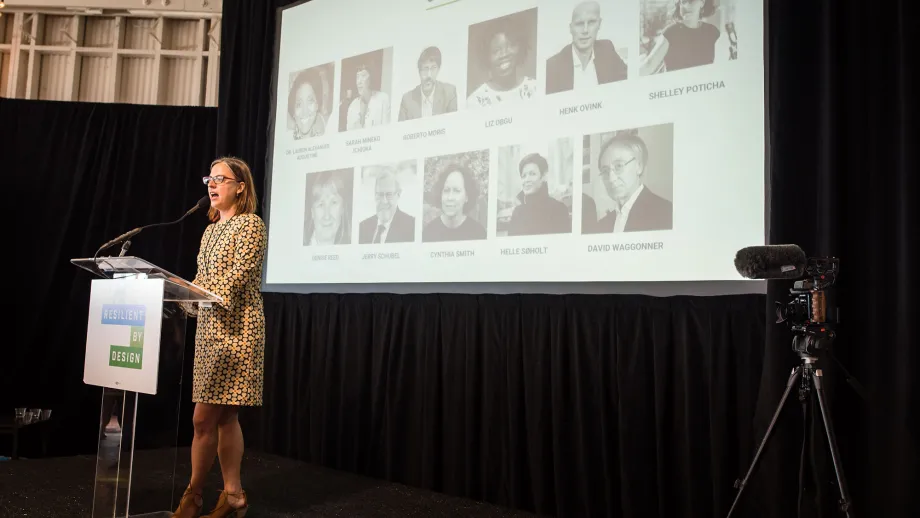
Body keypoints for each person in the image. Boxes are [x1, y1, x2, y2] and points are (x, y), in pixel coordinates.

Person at [172, 156, 267, 518]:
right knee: (225, 419)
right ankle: (233, 496)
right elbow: (200, 281)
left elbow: (236, 279)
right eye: (209, 179)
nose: (211, 185)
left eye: (220, 179)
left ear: (240, 187)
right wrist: (183, 297)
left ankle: (193, 496)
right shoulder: (210, 230)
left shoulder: (250, 226)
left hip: (238, 334)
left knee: (202, 420)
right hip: (210, 334)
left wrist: (193, 292)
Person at [594, 133, 672, 232]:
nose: (611, 179)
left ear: (639, 166)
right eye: (605, 171)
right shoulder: (602, 225)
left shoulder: (666, 213)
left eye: (618, 166)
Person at [545, 1, 627, 94]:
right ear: (571, 28)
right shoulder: (552, 66)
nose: (585, 30)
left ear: (599, 24)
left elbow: (628, 81)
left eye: (591, 22)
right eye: (579, 23)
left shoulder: (607, 49)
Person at [467, 17, 538, 109]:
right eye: (496, 51)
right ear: (486, 57)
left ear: (520, 47)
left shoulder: (536, 88)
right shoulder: (474, 102)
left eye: (510, 46)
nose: (504, 54)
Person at [506, 153, 571, 236]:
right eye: (524, 176)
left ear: (543, 176)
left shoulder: (558, 209)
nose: (527, 180)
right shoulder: (518, 213)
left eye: (532, 174)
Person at [422, 164, 487, 242]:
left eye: (456, 191)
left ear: (467, 196)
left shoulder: (478, 233)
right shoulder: (428, 233)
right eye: (446, 190)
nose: (450, 197)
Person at [398, 47, 458, 121]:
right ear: (419, 71)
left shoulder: (449, 93)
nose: (429, 75)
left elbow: (453, 127)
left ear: (438, 70)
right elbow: (401, 131)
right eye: (425, 69)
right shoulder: (407, 100)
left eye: (433, 68)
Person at [662, 0, 721, 71]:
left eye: (691, 1)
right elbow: (649, 64)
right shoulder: (670, 32)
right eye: (683, 2)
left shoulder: (712, 32)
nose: (686, 6)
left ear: (702, 2)